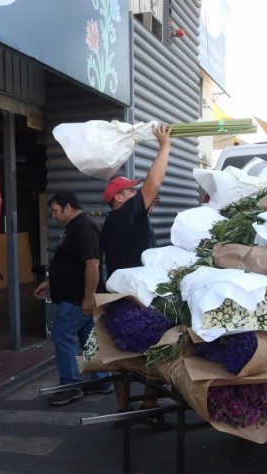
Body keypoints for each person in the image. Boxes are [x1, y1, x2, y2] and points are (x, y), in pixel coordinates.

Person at [100, 123, 173, 423]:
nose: (137, 193)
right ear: (118, 199)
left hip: (119, 294)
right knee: (152, 349)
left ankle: (123, 409)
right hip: (136, 297)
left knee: (120, 354)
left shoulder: (116, 222)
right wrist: (164, 146)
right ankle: (149, 409)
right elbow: (152, 188)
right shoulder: (123, 218)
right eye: (131, 191)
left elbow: (150, 196)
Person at [34, 192, 112, 406]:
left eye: (55, 210)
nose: (54, 215)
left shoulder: (83, 227)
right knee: (89, 338)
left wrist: (88, 298)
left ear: (68, 207)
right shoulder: (74, 228)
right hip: (77, 296)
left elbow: (93, 264)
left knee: (62, 334)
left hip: (77, 298)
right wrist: (50, 283)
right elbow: (69, 264)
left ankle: (70, 385)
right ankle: (101, 380)